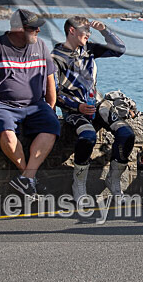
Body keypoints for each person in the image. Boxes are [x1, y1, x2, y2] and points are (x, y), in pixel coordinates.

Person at [0, 9, 60, 199]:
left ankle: (26, 179)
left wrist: (51, 106)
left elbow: (50, 79)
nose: (38, 31)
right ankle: (29, 179)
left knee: (52, 126)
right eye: (33, 28)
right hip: (0, 105)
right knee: (8, 136)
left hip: (35, 105)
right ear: (19, 29)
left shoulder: (41, 46)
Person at [51, 16, 135, 202]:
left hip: (97, 105)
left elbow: (120, 50)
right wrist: (77, 106)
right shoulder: (56, 57)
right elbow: (53, 93)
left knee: (127, 134)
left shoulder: (89, 50)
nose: (88, 34)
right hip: (75, 110)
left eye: (90, 31)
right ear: (72, 30)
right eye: (85, 30)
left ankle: (113, 179)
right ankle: (79, 183)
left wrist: (104, 30)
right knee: (88, 137)